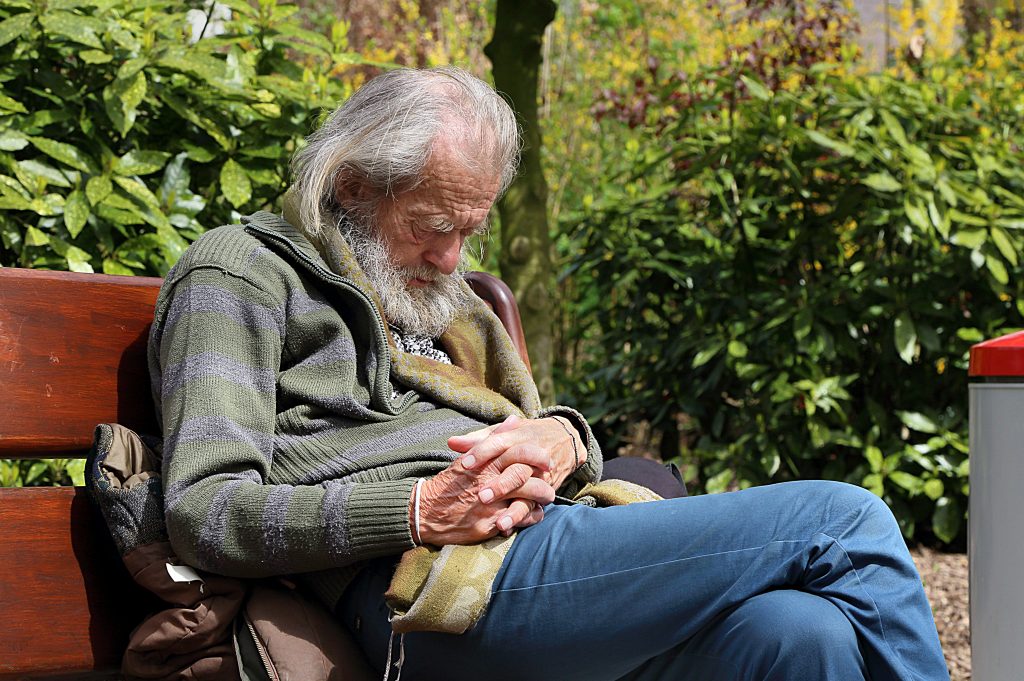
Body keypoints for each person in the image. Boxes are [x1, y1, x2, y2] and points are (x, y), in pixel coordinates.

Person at [148, 66, 950, 681]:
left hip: (549, 544)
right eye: (433, 226)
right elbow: (205, 507)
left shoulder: (439, 297)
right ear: (352, 186)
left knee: (798, 636)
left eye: (470, 228)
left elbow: (527, 424)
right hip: (423, 590)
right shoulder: (240, 274)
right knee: (844, 521)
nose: (452, 258)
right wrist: (421, 507)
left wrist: (565, 440)